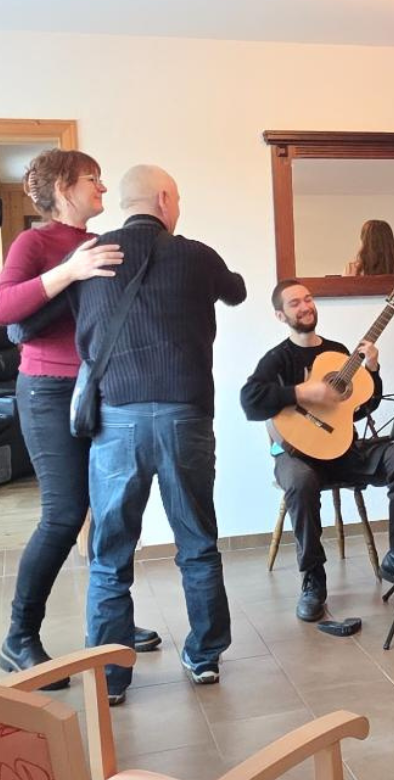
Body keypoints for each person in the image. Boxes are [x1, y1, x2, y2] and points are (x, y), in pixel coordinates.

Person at [69, 165, 245, 702]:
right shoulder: (195, 255)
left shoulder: (90, 257)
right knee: (197, 541)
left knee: (109, 553)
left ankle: (111, 677)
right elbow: (236, 292)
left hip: (116, 420)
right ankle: (204, 657)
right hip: (183, 415)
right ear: (165, 199)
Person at [0, 149, 161, 690]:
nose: (103, 188)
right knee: (64, 516)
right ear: (64, 188)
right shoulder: (34, 243)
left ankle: (111, 624)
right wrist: (71, 270)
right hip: (46, 391)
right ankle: (18, 637)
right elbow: (0, 310)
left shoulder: (103, 242)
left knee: (111, 510)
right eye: (92, 179)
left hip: (100, 390)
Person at [241, 279, 394, 621]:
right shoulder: (277, 359)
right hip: (298, 456)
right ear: (280, 315)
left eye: (308, 299)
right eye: (294, 303)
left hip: (343, 450)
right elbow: (251, 402)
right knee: (300, 481)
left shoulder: (337, 353)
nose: (305, 306)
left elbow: (362, 406)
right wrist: (303, 393)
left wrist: (373, 370)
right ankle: (313, 579)